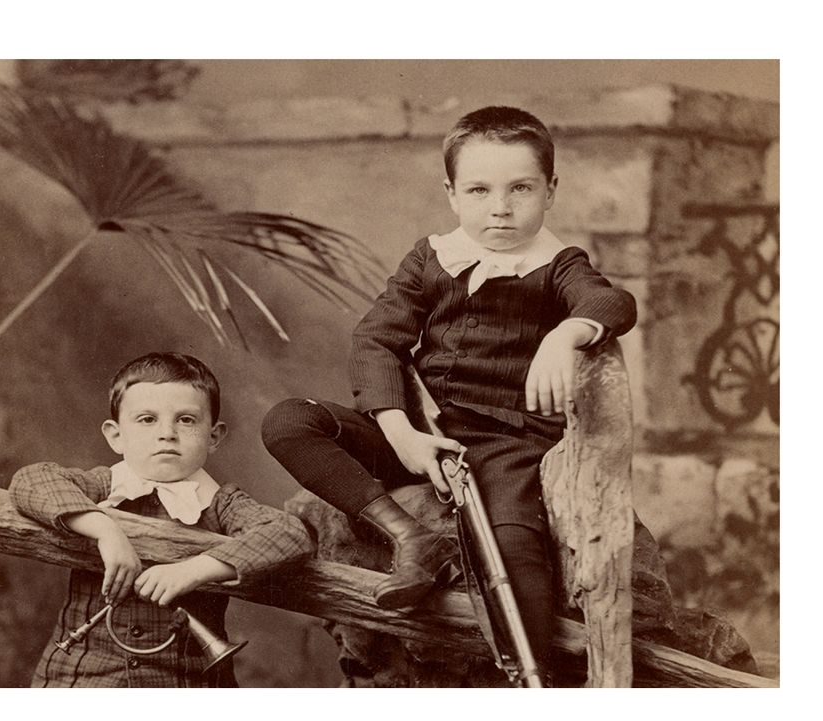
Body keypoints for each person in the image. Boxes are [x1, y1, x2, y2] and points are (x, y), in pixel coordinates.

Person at [261, 106, 636, 679]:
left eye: (521, 188)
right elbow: (374, 342)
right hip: (417, 430)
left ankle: (525, 680)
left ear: (551, 190)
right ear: (452, 194)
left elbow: (613, 304)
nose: (501, 207)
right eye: (480, 189)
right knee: (290, 422)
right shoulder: (432, 259)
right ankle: (408, 534)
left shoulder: (559, 265)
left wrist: (567, 334)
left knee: (515, 561)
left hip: (506, 448)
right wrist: (400, 435)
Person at [10, 352, 314, 687]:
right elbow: (31, 479)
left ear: (214, 436)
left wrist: (193, 571)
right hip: (82, 676)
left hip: (185, 681)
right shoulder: (104, 487)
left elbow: (289, 533)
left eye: (186, 420)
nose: (166, 433)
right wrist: (105, 531)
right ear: (116, 436)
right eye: (147, 419)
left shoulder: (220, 503)